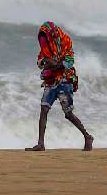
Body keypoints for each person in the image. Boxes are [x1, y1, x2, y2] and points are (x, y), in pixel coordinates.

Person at [25, 21, 94, 152]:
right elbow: (40, 62)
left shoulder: (65, 40)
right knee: (44, 108)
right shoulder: (45, 47)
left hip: (65, 80)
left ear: (52, 34)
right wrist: (45, 62)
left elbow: (69, 61)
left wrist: (54, 65)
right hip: (51, 81)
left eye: (46, 37)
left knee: (68, 114)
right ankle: (40, 144)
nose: (44, 41)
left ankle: (87, 137)